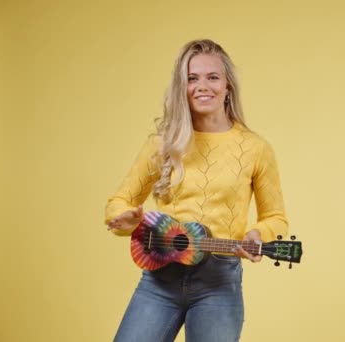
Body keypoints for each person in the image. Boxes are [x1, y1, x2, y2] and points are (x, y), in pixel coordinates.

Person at [104, 39, 288, 342]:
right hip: (160, 280)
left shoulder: (256, 148)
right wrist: (124, 218)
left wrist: (258, 234)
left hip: (219, 284)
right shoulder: (163, 144)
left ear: (227, 85)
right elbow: (119, 202)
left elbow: (276, 217)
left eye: (212, 77)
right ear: (182, 87)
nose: (203, 86)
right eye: (192, 78)